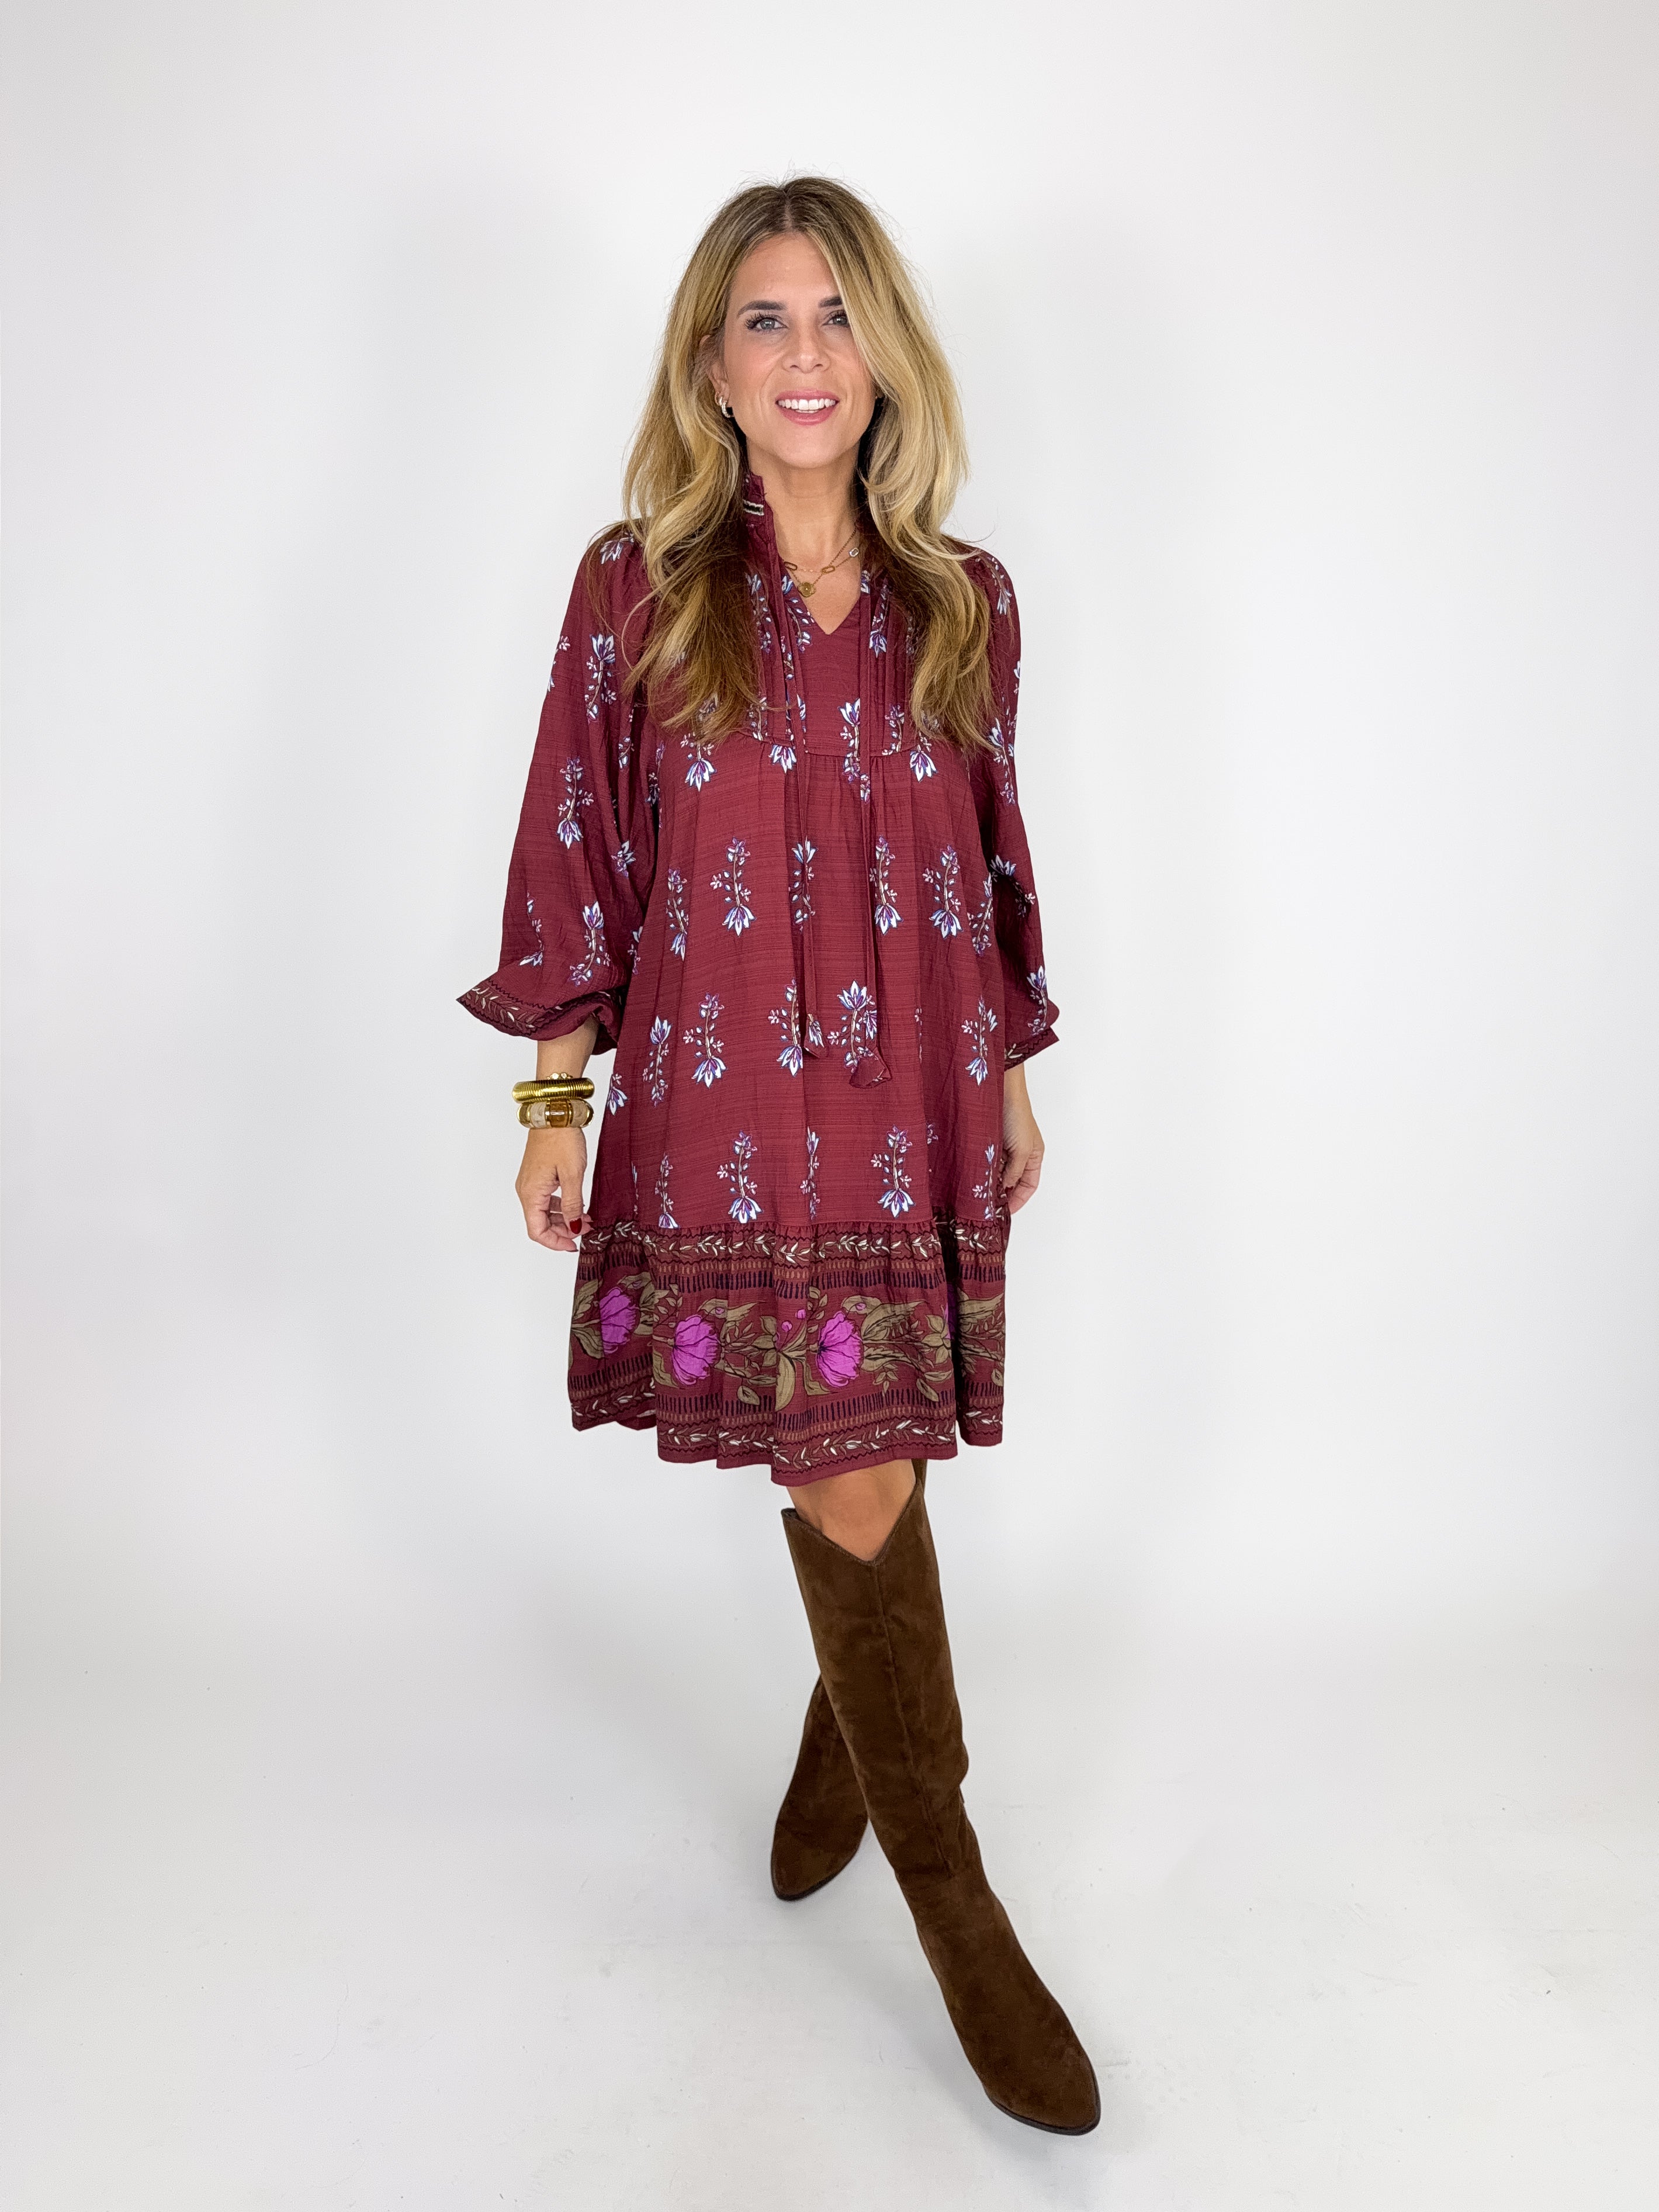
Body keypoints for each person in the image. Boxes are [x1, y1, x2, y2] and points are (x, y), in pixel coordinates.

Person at [460, 176, 1096, 2135]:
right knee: (854, 1459)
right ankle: (958, 1900)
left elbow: (988, 857)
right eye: (766, 320)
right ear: (712, 368)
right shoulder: (635, 589)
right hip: (728, 1109)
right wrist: (553, 1098)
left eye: (837, 316)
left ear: (882, 353)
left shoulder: (964, 596)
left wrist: (1008, 1076)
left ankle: (846, 1748)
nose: (806, 353)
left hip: (913, 1093)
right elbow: (579, 845)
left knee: (868, 1445)